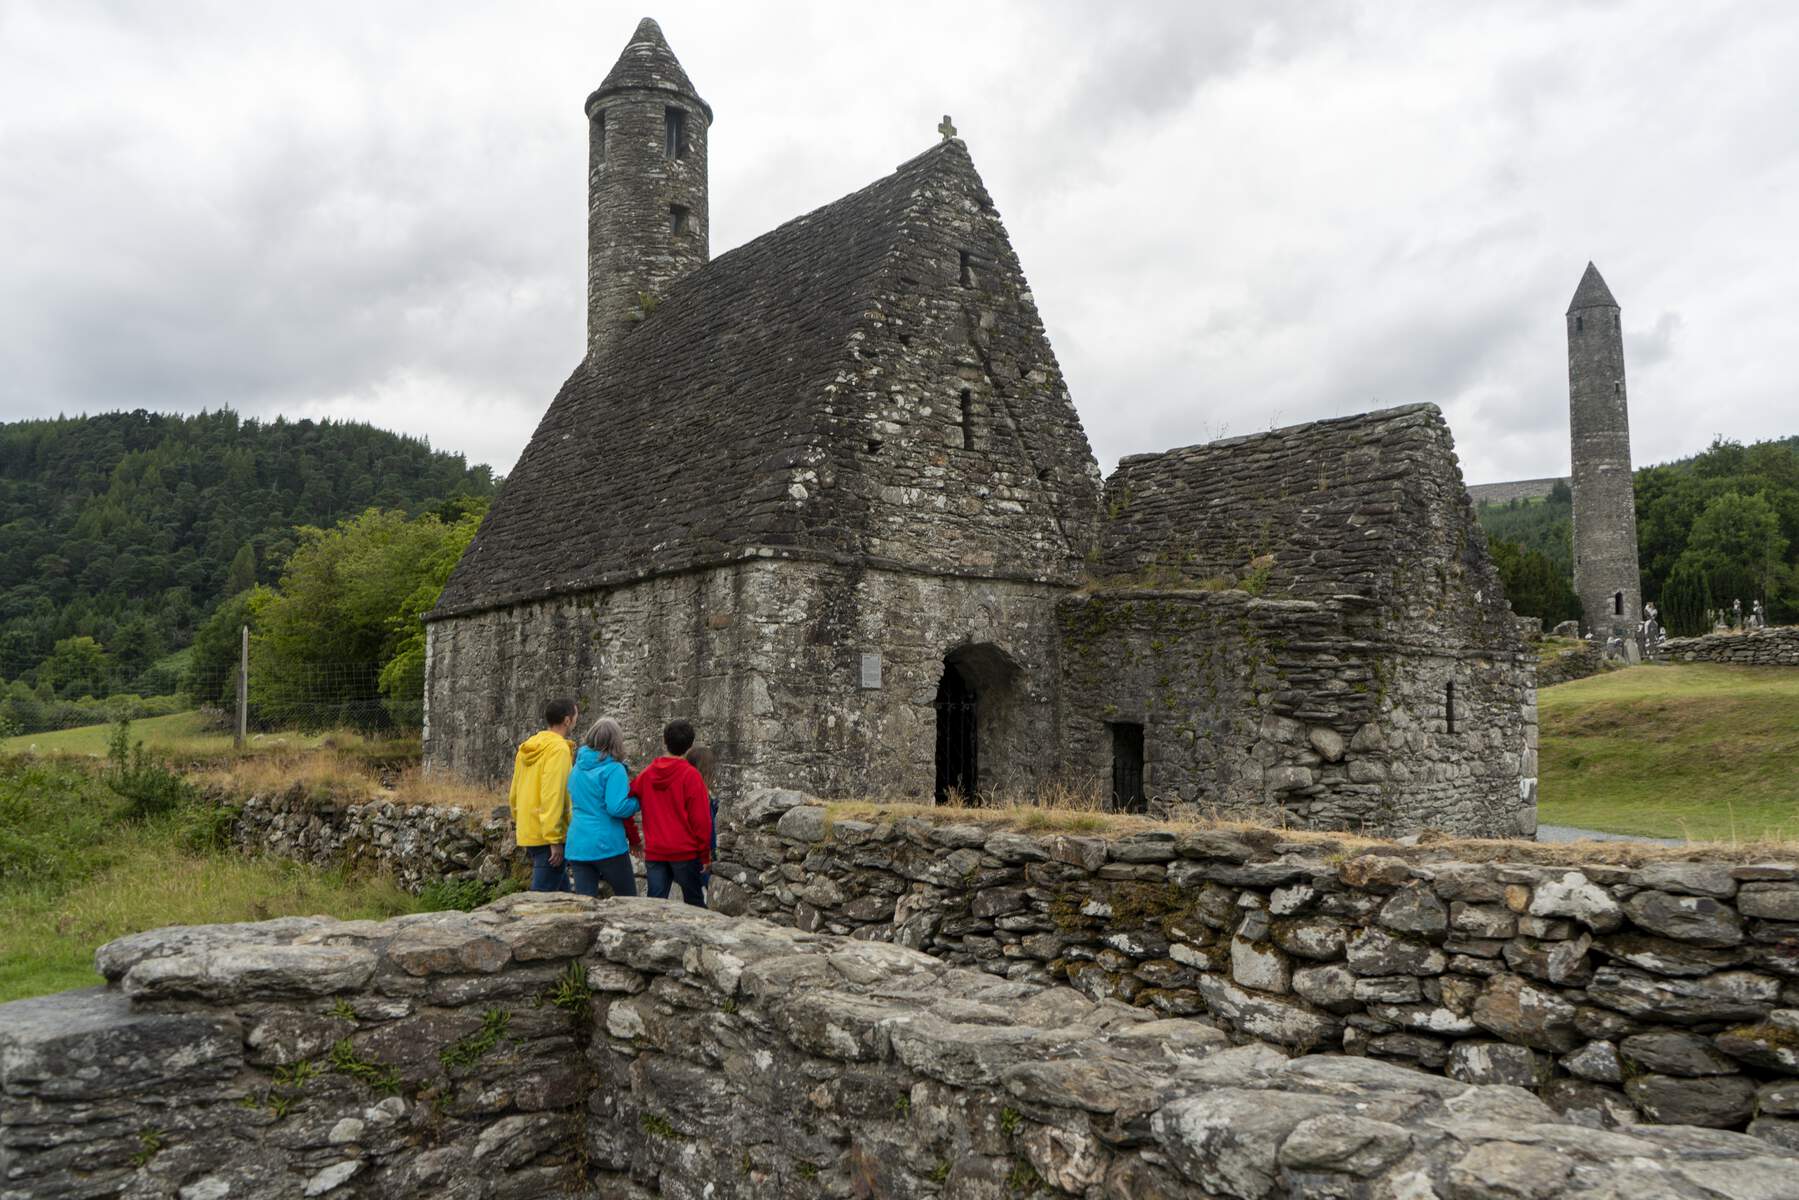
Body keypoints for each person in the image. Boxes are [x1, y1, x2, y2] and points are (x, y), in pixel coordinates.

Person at [629, 719, 711, 906]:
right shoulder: (691, 776)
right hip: (684, 852)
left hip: (656, 850)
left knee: (655, 905)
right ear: (690, 746)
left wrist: (633, 837)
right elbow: (701, 820)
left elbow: (624, 803)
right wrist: (705, 855)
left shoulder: (647, 774)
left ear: (664, 741)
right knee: (695, 904)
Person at [507, 697, 578, 892]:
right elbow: (553, 794)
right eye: (575, 714)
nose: (576, 718)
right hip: (547, 835)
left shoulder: (528, 747)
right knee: (538, 901)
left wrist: (519, 819)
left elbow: (514, 792)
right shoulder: (559, 749)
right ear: (567, 720)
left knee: (563, 897)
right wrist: (554, 838)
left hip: (529, 828)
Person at [565, 717, 641, 898]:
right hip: (607, 844)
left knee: (585, 903)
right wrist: (639, 801)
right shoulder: (614, 769)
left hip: (578, 844)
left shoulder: (577, 767)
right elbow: (617, 807)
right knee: (628, 900)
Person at [685, 745, 719, 890]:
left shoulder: (686, 789)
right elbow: (706, 826)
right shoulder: (702, 795)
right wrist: (710, 853)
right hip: (700, 853)